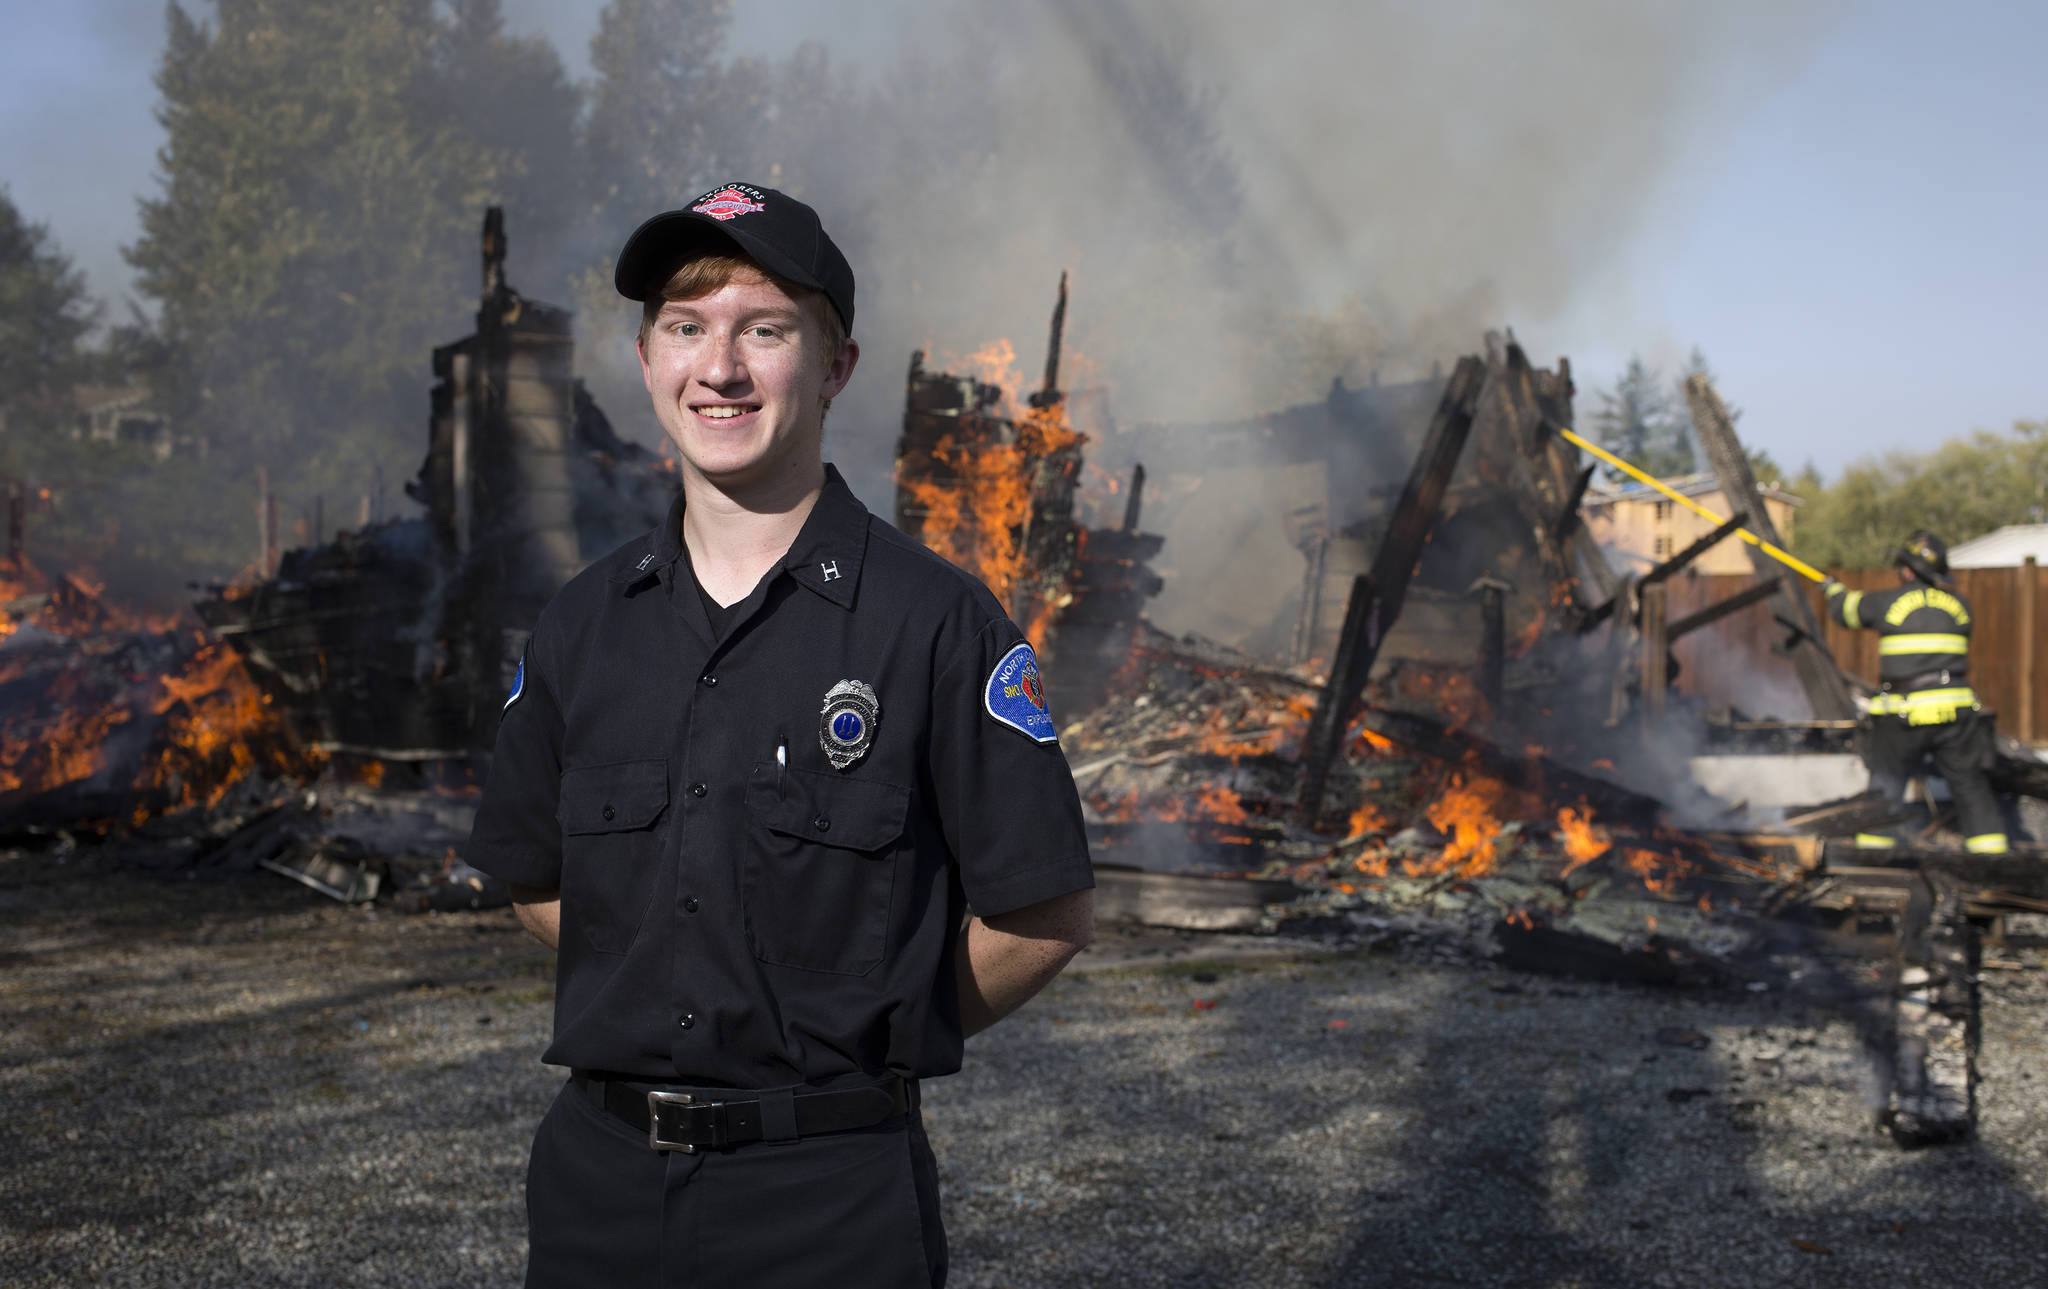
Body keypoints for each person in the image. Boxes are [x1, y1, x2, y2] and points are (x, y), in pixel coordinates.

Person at [464, 181, 1097, 1288]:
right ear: (648, 355)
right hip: (597, 1193)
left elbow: (1042, 910)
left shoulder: (936, 624)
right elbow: (534, 877)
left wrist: (866, 1029)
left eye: (764, 328)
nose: (720, 368)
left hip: (832, 1204)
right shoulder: (581, 624)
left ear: (835, 364)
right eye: (685, 326)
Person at [1823, 529, 2008, 854]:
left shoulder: (1888, 603)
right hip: (1956, 713)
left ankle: (1872, 858)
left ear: (1906, 570)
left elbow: (1847, 611)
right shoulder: (1959, 606)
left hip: (1904, 715)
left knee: (1886, 787)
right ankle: (1995, 866)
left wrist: (1832, 589)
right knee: (1971, 787)